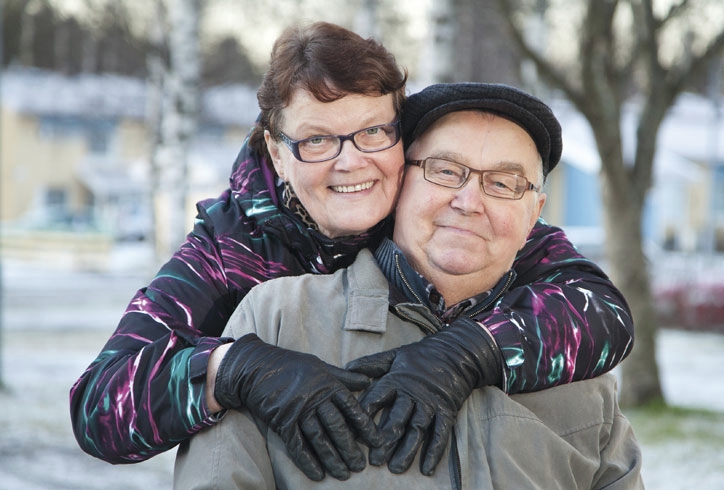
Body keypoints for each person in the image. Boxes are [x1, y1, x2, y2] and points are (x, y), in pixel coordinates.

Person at [69, 21, 634, 482]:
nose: (351, 163)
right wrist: (232, 367)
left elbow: (604, 314)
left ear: (401, 137)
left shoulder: (445, 207)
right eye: (316, 139)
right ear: (277, 149)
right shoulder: (231, 248)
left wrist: (472, 349)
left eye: (372, 132)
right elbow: (98, 407)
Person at [172, 82, 644, 489]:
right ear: (399, 184)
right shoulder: (276, 320)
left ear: (533, 214)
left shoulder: (577, 368)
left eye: (503, 183)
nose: (468, 201)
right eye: (444, 170)